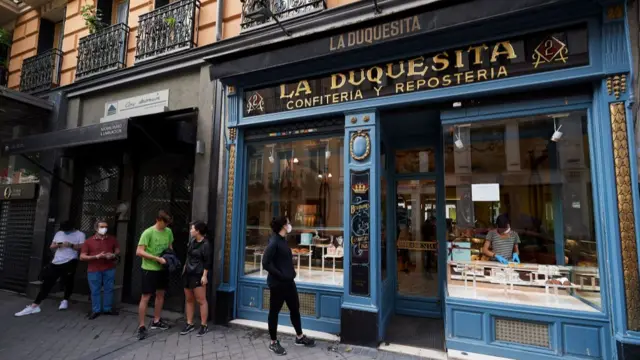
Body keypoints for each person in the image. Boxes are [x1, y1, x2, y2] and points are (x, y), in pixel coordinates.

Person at [262, 216, 315, 356]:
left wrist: (291, 271)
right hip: (278, 284)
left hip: (289, 283)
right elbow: (265, 263)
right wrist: (280, 274)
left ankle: (299, 337)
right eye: (288, 223)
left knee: (295, 309)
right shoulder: (274, 242)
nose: (290, 225)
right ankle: (273, 342)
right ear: (283, 226)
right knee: (274, 312)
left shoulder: (282, 241)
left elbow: (282, 260)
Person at [14, 221, 85, 316]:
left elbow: (81, 248)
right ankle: (35, 305)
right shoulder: (59, 233)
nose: (65, 232)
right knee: (47, 282)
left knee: (68, 281)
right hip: (56, 261)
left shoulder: (80, 234)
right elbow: (51, 246)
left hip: (70, 261)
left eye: (67, 230)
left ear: (72, 228)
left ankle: (65, 300)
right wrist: (59, 245)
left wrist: (70, 245)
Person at [136, 210, 174, 340]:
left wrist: (170, 258)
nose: (166, 226)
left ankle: (156, 321)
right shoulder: (148, 233)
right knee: (146, 296)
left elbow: (170, 247)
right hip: (149, 268)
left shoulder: (168, 232)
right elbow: (139, 251)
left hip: (162, 269)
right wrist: (156, 259)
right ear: (158, 220)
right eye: (165, 223)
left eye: (168, 224)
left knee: (160, 294)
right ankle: (141, 326)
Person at [80, 220, 120, 319]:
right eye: (102, 227)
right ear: (96, 228)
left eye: (106, 227)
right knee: (95, 290)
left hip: (109, 268)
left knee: (109, 289)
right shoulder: (88, 241)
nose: (104, 229)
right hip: (94, 269)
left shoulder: (112, 239)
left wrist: (113, 254)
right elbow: (82, 256)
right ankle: (96, 310)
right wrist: (96, 257)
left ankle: (107, 309)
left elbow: (117, 249)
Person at [180, 221, 211, 337]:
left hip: (198, 273)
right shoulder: (192, 241)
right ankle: (189, 323)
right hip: (188, 273)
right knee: (189, 299)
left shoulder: (206, 244)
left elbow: (207, 261)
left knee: (201, 300)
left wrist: (204, 275)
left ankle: (204, 325)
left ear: (198, 231)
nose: (190, 231)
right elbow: (188, 256)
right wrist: (184, 268)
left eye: (192, 229)